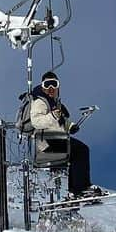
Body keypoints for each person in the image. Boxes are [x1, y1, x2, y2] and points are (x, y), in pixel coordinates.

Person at [29, 70, 100, 198]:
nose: (51, 88)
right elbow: (36, 121)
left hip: (56, 139)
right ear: (42, 86)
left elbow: (61, 121)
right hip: (47, 142)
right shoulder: (40, 102)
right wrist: (52, 115)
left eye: (54, 84)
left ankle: (76, 189)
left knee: (77, 154)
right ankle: (81, 188)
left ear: (58, 87)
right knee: (81, 150)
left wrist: (70, 126)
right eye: (47, 85)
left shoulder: (54, 103)